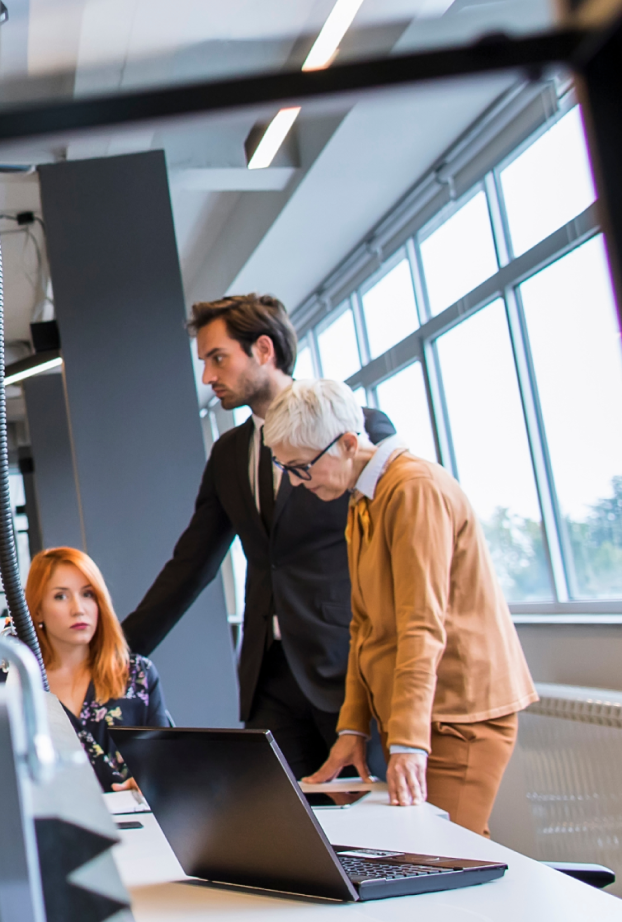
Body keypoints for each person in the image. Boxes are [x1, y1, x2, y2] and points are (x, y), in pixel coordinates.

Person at [118, 294, 397, 779]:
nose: (207, 376)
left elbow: (401, 542)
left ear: (264, 350)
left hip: (347, 670)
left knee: (374, 834)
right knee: (279, 824)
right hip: (268, 676)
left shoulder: (358, 426)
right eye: (204, 361)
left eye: (217, 358)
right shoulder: (229, 453)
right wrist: (115, 652)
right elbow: (191, 564)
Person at [262, 379, 538, 835]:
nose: (295, 481)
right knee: (425, 855)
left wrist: (409, 740)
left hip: (457, 712)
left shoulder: (413, 490)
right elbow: (364, 627)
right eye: (285, 468)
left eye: (302, 467)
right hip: (415, 711)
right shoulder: (362, 499)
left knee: (445, 857)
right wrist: (352, 728)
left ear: (349, 443)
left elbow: (421, 626)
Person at [25, 547, 172, 792]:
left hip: (137, 824)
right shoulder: (18, 685)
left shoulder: (138, 676)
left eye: (88, 594)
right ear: (37, 609)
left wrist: (151, 781)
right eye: (61, 596)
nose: (78, 609)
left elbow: (167, 766)